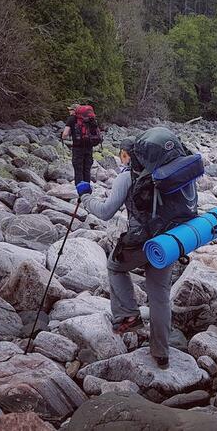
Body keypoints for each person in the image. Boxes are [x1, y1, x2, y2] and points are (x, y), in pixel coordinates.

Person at [77, 137, 173, 369]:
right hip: (169, 241)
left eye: (124, 155)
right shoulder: (168, 174)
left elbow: (106, 212)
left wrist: (85, 196)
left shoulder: (127, 177)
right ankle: (161, 353)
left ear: (131, 156)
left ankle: (128, 315)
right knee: (159, 295)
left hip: (141, 242)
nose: (123, 160)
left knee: (115, 266)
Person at [62, 104, 93, 185]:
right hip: (89, 147)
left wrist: (63, 137)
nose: (69, 112)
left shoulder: (71, 119)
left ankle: (81, 194)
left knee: (78, 171)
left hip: (77, 148)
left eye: (70, 110)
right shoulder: (90, 119)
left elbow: (65, 134)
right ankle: (87, 194)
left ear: (74, 110)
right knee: (87, 170)